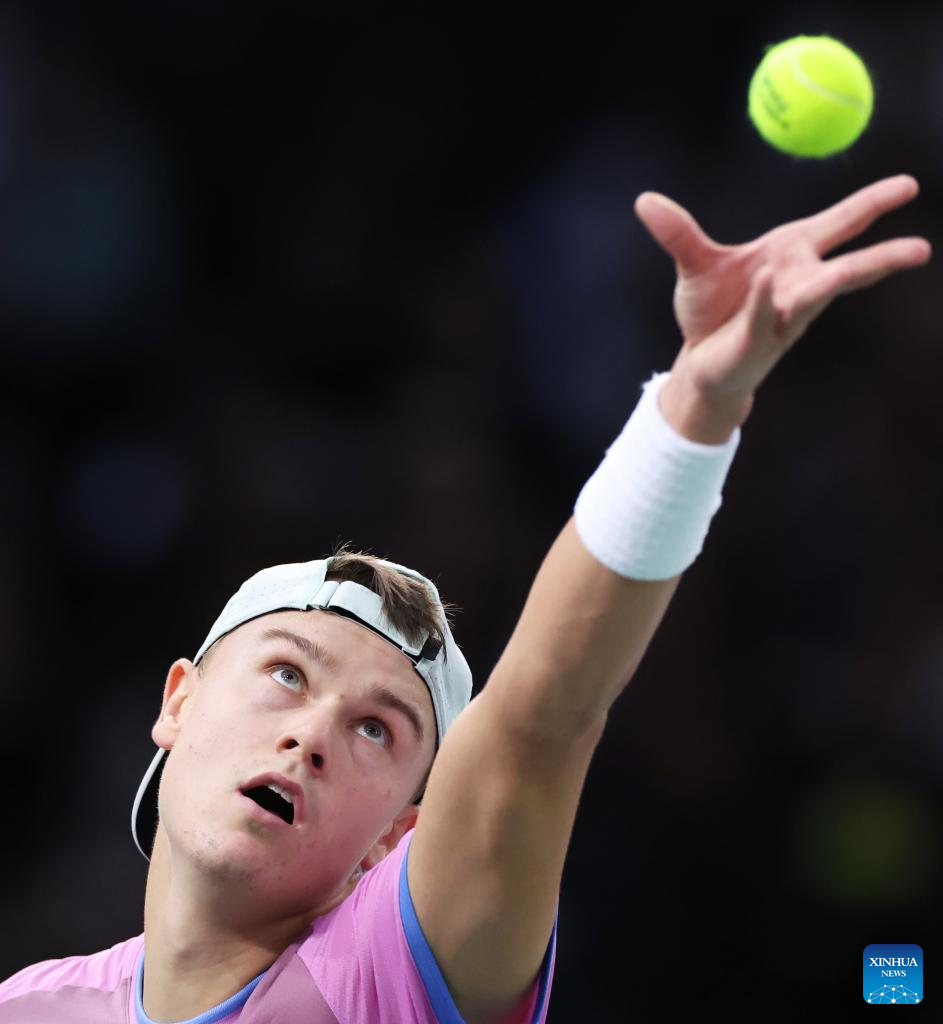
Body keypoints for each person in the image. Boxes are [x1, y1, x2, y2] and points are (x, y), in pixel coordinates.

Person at [0, 175, 929, 1024]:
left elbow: (541, 718)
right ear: (178, 700)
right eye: (287, 673)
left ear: (397, 837)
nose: (312, 735)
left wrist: (694, 406)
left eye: (377, 730)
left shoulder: (385, 979)